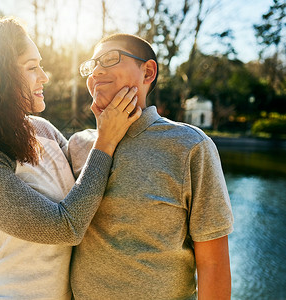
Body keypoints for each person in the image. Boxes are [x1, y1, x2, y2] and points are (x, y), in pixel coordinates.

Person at [0, 18, 141, 300]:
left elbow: (88, 177)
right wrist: (106, 140)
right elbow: (66, 228)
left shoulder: (43, 129)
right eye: (32, 67)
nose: (44, 76)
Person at [68, 33, 234, 299]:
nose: (97, 70)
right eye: (92, 65)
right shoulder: (77, 145)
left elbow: (213, 264)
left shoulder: (190, 146)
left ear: (148, 72)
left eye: (110, 59)